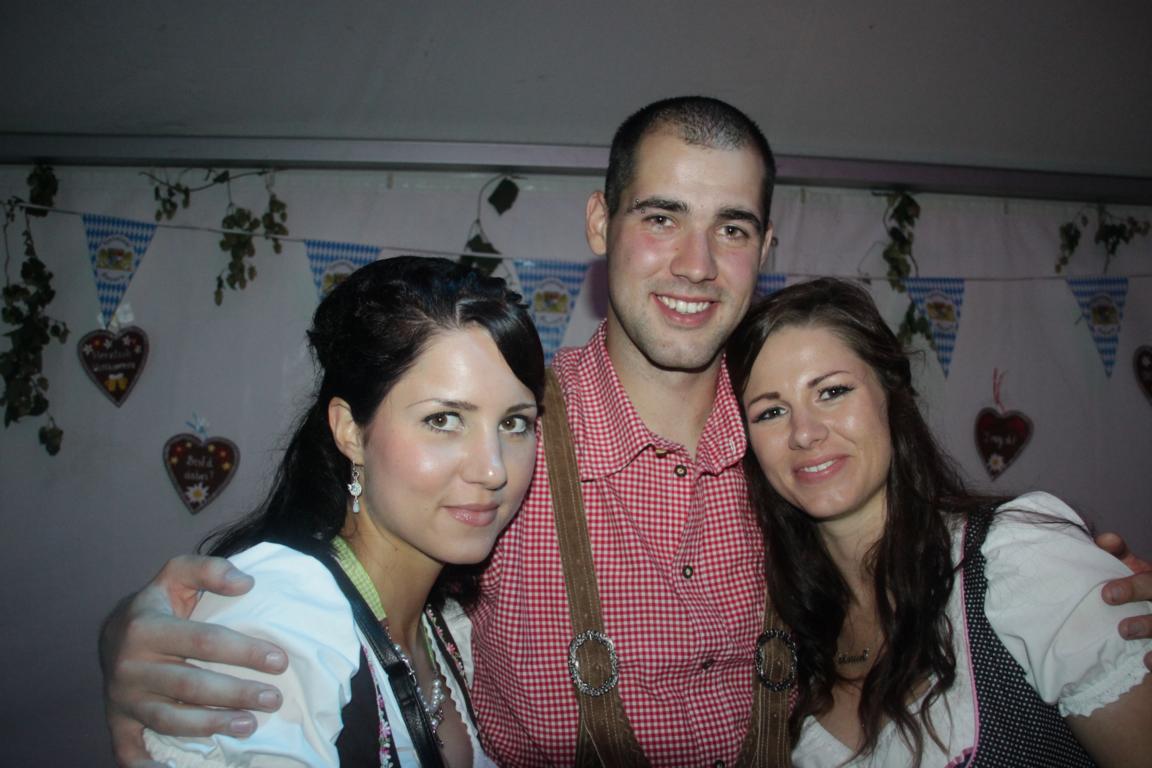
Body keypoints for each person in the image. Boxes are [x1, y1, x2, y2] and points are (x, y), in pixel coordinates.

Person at [99, 97, 1152, 767]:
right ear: (602, 227)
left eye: (730, 227)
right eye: (661, 217)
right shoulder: (504, 449)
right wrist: (133, 637)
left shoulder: (796, 456)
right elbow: (337, 595)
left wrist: (1049, 575)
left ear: (763, 247)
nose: (695, 263)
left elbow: (933, 580)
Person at [725, 277, 1152, 767]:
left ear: (891, 393)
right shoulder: (774, 632)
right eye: (771, 412)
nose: (804, 433)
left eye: (833, 391)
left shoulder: (1017, 556)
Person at [140, 256, 545, 766]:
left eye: (514, 423)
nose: (492, 469)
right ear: (350, 431)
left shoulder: (445, 627)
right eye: (444, 420)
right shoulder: (286, 616)